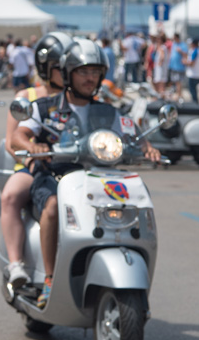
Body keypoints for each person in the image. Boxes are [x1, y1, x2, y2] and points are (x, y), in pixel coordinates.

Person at [11, 39, 161, 309]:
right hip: (54, 175)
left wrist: (148, 148)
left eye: (95, 72)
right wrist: (33, 145)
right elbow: (18, 136)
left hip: (97, 176)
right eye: (83, 71)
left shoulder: (109, 111)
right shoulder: (45, 107)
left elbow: (134, 134)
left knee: (133, 199)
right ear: (68, 73)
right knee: (53, 207)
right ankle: (49, 277)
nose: (90, 78)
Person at [1, 32, 73, 288]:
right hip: (33, 166)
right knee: (10, 196)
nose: (66, 72)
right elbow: (12, 141)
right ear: (45, 67)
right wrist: (33, 156)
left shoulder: (75, 97)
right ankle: (16, 263)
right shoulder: (27, 96)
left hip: (72, 166)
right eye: (59, 67)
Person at [168, 32, 188, 100]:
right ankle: (178, 94)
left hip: (179, 67)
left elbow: (186, 55)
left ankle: (179, 94)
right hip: (173, 66)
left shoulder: (182, 45)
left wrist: (180, 51)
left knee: (178, 82)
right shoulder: (174, 44)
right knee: (175, 81)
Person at [185, 38, 199, 103]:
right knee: (194, 89)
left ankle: (195, 102)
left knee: (192, 89)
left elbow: (192, 63)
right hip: (197, 73)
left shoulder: (195, 51)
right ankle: (195, 101)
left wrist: (184, 62)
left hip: (193, 74)